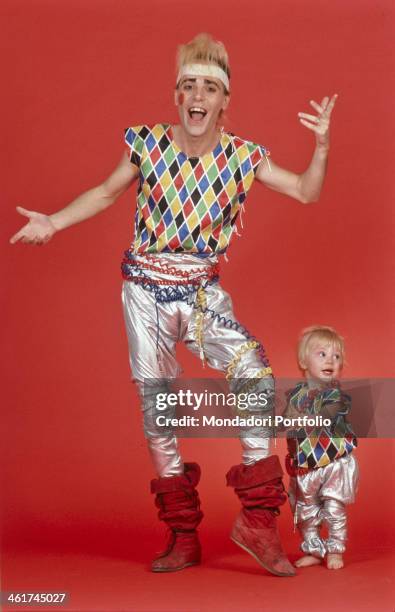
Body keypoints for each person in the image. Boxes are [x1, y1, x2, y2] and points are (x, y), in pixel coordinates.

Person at [10, 33, 337, 576]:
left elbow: (306, 191)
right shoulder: (147, 144)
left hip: (203, 292)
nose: (198, 94)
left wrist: (322, 146)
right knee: (157, 406)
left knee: (253, 372)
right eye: (189, 85)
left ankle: (258, 521)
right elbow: (105, 192)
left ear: (224, 100)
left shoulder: (242, 156)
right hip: (144, 290)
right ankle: (183, 534)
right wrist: (53, 221)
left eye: (209, 86)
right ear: (177, 95)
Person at [283, 326, 359, 570]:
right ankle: (314, 549)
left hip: (334, 462)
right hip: (307, 465)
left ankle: (335, 549)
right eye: (322, 354)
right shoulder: (295, 395)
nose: (331, 360)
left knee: (334, 508)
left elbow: (323, 418)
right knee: (305, 510)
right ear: (303, 361)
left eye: (336, 357)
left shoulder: (335, 395)